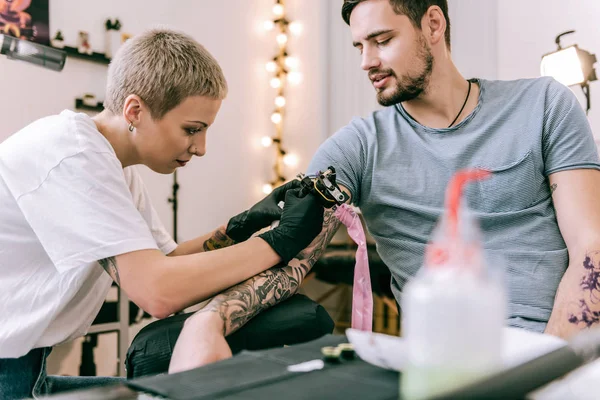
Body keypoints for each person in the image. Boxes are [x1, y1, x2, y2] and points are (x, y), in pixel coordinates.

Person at [0, 29, 326, 399]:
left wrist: (240, 226)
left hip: (26, 366)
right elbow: (158, 293)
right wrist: (277, 243)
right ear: (135, 111)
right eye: (192, 130)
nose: (201, 148)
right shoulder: (72, 156)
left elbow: (167, 261)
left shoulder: (112, 165)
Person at [307, 0, 600, 340]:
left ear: (433, 24)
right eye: (360, 46)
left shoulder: (545, 103)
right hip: (449, 366)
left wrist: (546, 368)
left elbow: (591, 246)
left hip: (559, 350)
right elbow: (287, 243)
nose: (366, 62)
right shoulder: (358, 146)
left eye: (382, 41)